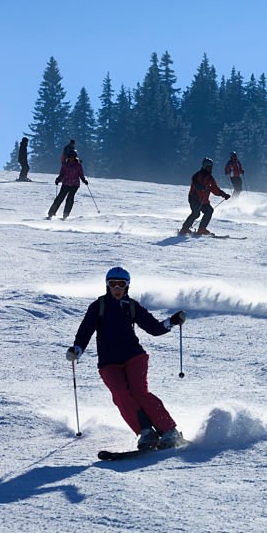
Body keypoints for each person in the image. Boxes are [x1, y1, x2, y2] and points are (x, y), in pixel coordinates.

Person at [66, 267, 186, 450]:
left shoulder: (131, 306)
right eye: (112, 284)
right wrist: (77, 349)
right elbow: (85, 331)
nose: (116, 288)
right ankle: (146, 433)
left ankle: (169, 430)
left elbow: (153, 328)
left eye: (120, 284)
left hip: (134, 356)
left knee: (139, 392)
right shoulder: (98, 306)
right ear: (107, 285)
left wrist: (171, 321)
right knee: (120, 394)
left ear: (127, 286)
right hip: (109, 362)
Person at [178, 157, 230, 236]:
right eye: (208, 167)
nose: (210, 168)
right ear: (204, 166)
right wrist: (202, 187)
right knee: (196, 213)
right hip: (194, 199)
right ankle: (184, 228)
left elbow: (215, 189)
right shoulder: (197, 175)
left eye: (211, 167)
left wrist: (223, 194)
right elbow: (195, 184)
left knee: (209, 210)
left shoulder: (210, 178)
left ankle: (201, 229)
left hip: (204, 200)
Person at [48, 150, 88, 220]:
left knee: (70, 199)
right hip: (66, 183)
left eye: (72, 157)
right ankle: (51, 213)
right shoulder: (65, 165)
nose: (71, 158)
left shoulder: (78, 165)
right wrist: (58, 179)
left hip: (75, 185)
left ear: (75, 157)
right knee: (60, 198)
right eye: (70, 157)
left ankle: (65, 214)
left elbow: (81, 174)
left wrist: (84, 180)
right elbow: (62, 174)